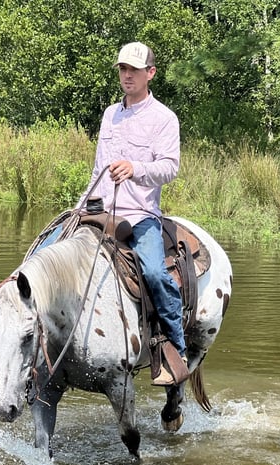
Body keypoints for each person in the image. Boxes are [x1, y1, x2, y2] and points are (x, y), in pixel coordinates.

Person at [77, 41, 187, 386]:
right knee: (52, 246)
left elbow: (170, 167)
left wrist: (136, 168)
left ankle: (176, 350)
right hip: (100, 209)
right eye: (123, 69)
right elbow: (98, 168)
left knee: (154, 272)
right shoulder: (110, 114)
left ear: (150, 74)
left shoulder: (164, 119)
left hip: (139, 214)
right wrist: (81, 205)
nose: (127, 76)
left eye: (134, 70)